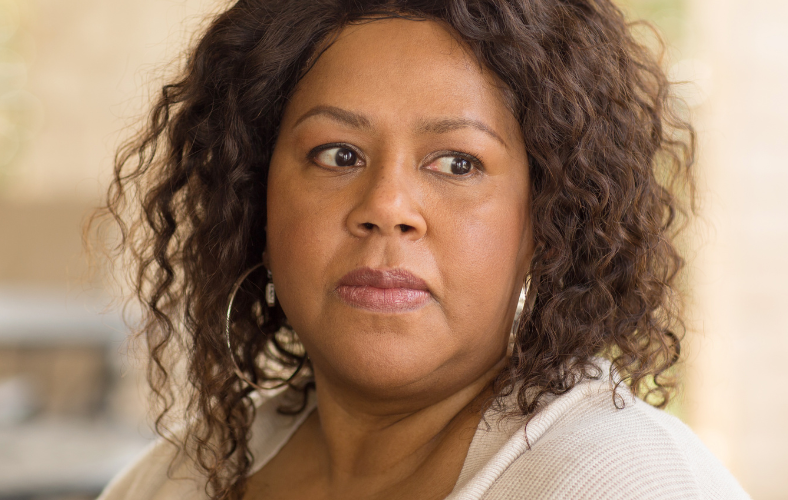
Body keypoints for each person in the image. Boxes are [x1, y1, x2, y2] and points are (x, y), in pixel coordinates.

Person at [95, 0, 749, 499]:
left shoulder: (620, 481)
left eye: (457, 163)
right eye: (338, 155)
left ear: (546, 222)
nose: (387, 207)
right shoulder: (171, 482)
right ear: (255, 195)